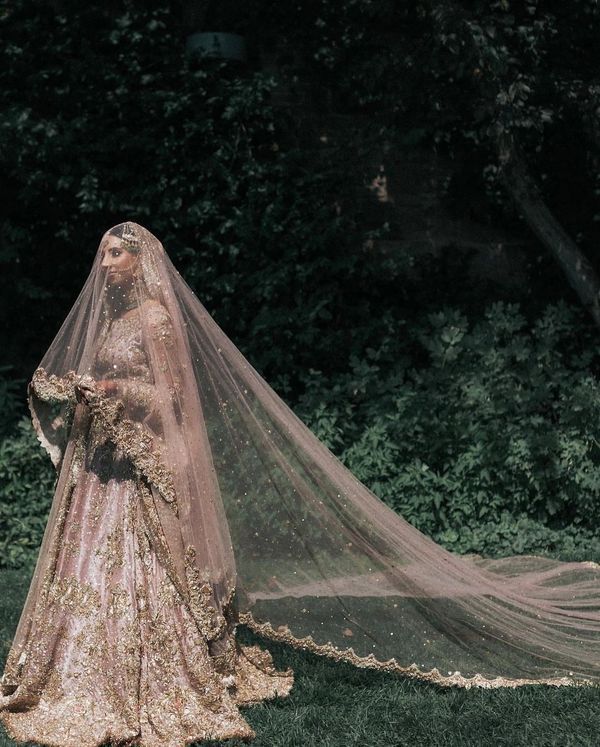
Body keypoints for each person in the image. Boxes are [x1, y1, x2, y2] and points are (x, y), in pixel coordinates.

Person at [2, 222, 600, 747]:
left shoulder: (156, 320)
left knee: (150, 573)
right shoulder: (113, 323)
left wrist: (116, 393)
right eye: (102, 253)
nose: (103, 263)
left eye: (115, 253)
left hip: (142, 463)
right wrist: (79, 396)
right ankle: (75, 667)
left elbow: (172, 400)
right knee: (84, 572)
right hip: (110, 470)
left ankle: (150, 670)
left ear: (141, 259)